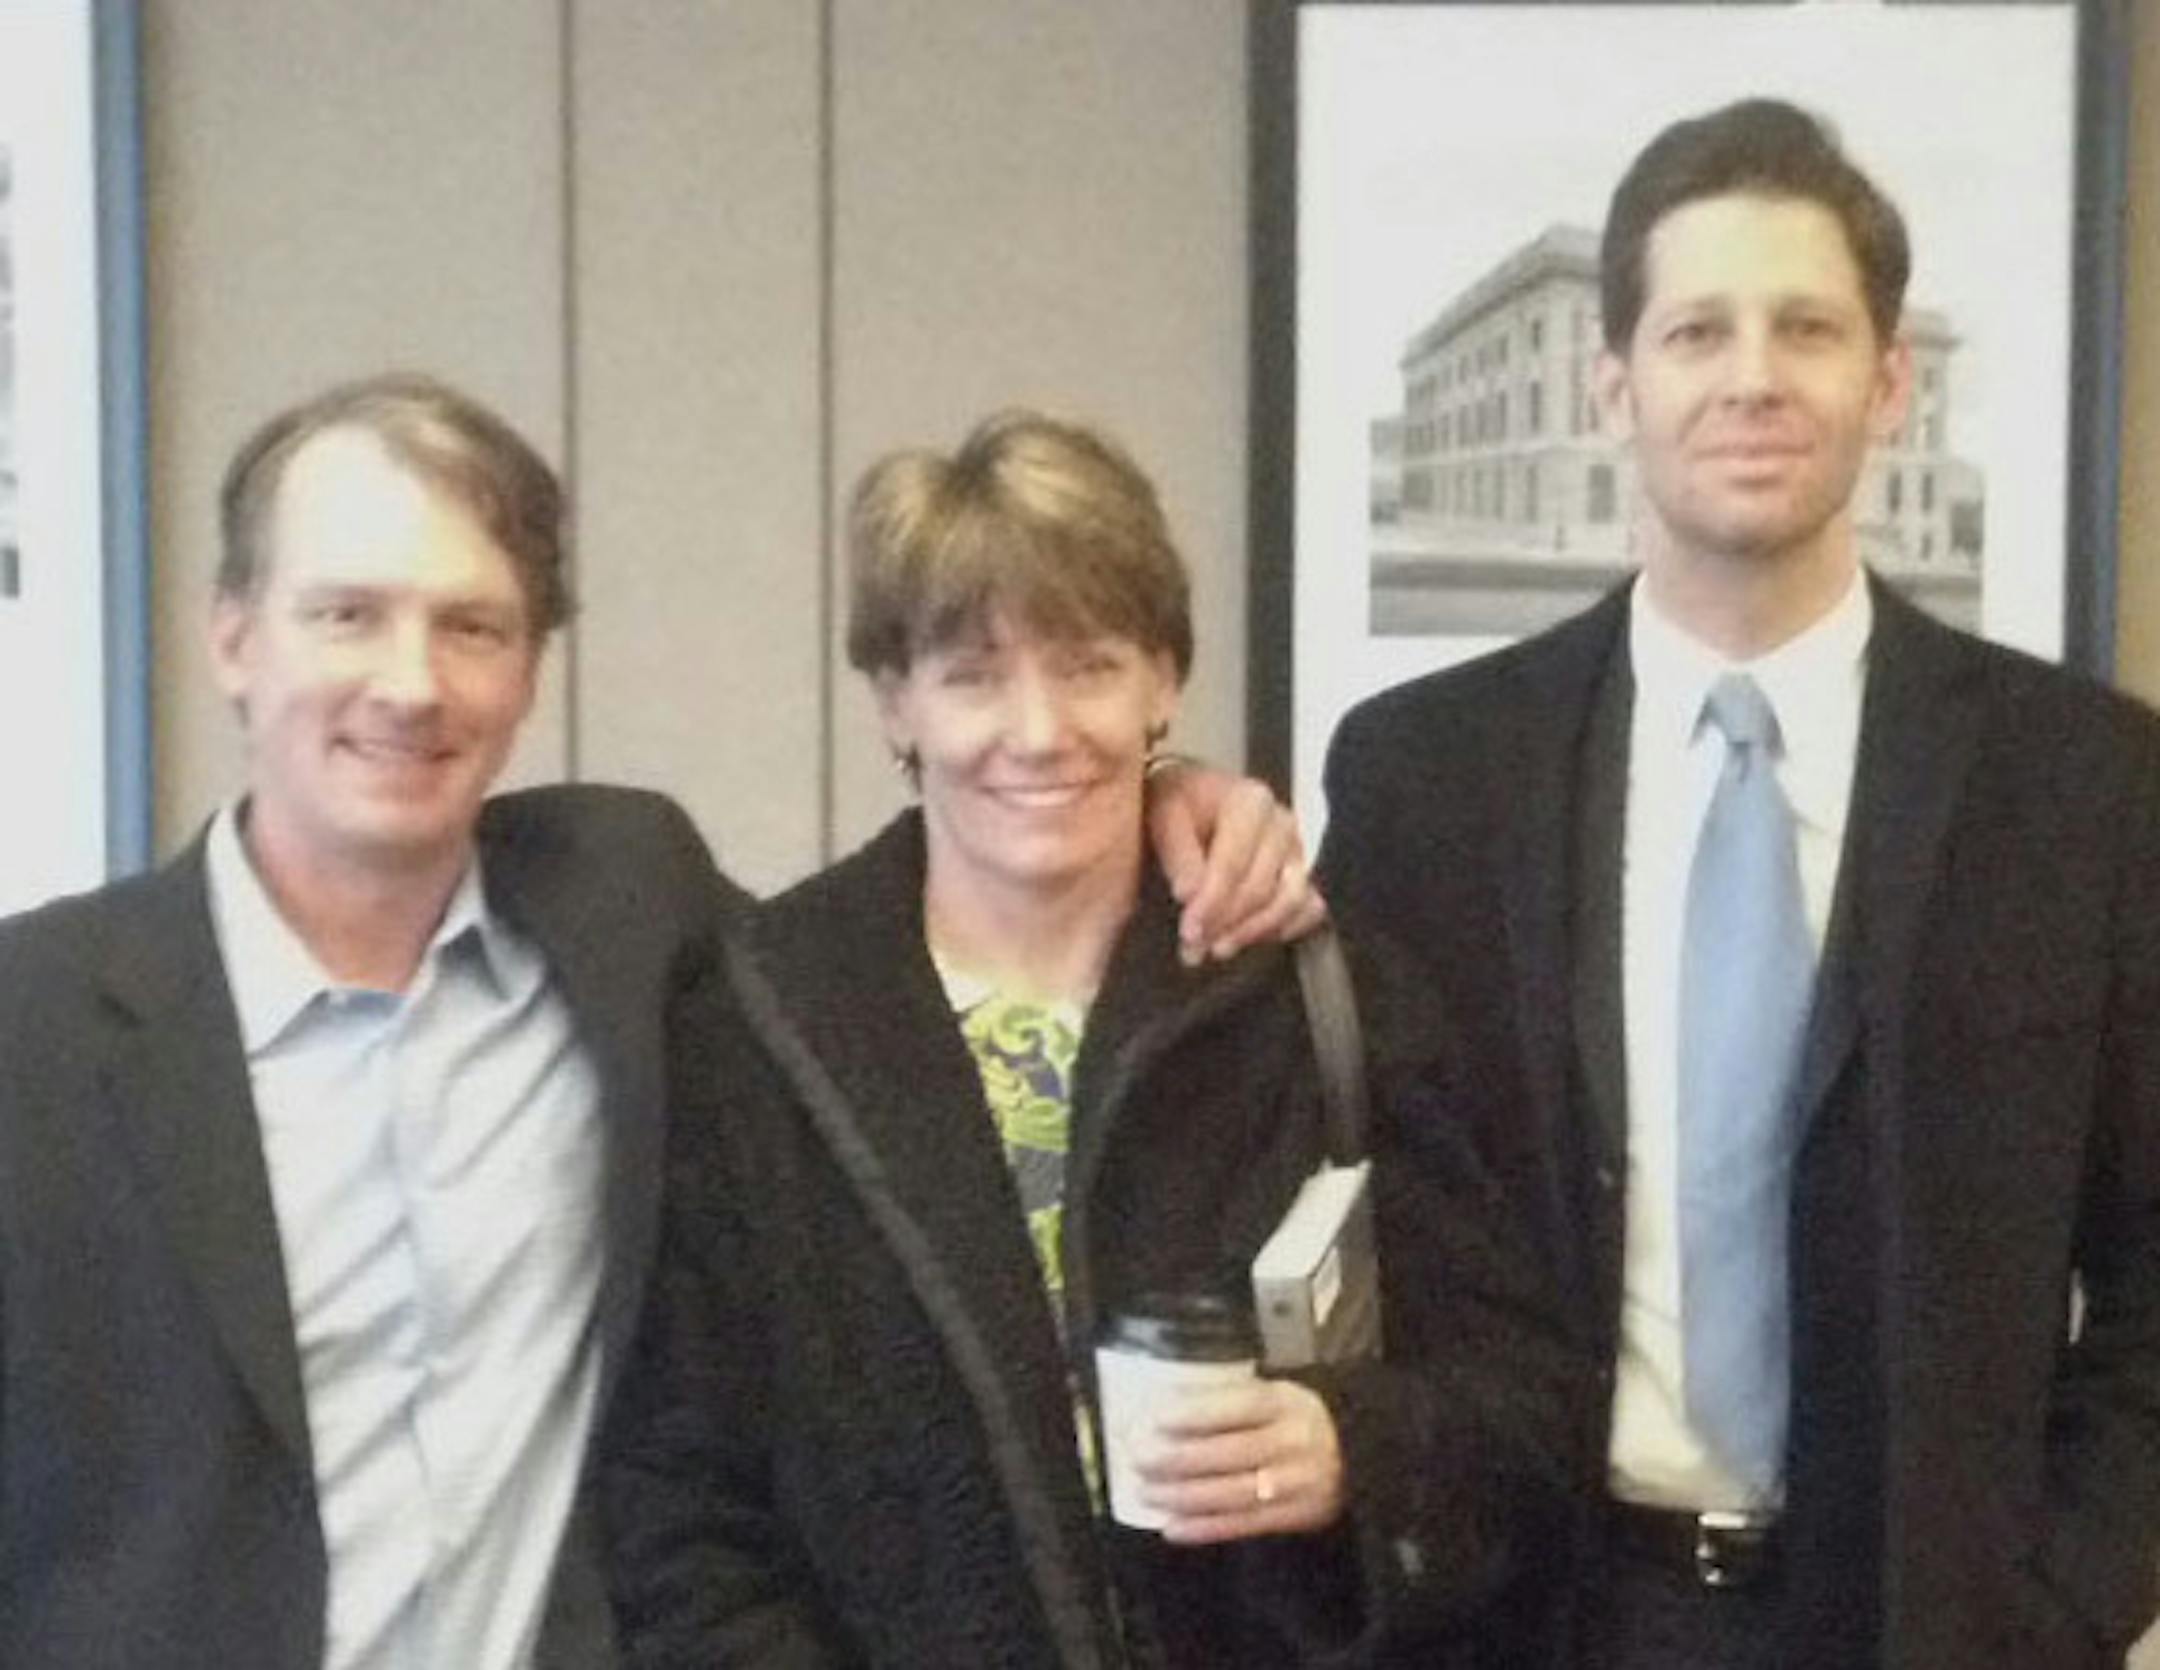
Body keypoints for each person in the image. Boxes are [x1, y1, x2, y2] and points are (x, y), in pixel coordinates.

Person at [0, 373, 1317, 1670]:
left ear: (529, 668)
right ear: (233, 634)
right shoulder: (36, 1028)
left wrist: (1165, 792)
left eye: (473, 626)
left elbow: (934, 918)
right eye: (346, 613)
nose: (411, 684)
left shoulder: (625, 899)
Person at [1318, 97, 2160, 1669]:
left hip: (1933, 1624)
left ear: (1889, 380)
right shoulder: (1422, 780)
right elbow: (1336, 1198)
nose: (1755, 376)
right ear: (1615, 382)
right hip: (1539, 1616)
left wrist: (2064, 1597)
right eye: (1698, 329)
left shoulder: (2087, 787)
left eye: (1810, 328)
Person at [601, 410, 1578, 1667]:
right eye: (973, 675)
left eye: (1088, 663)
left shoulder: (1318, 995)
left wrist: (1357, 1449)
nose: (1041, 729)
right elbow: (680, 1508)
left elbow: (1531, 1396)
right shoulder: (763, 1027)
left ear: (1165, 676)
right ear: (895, 701)